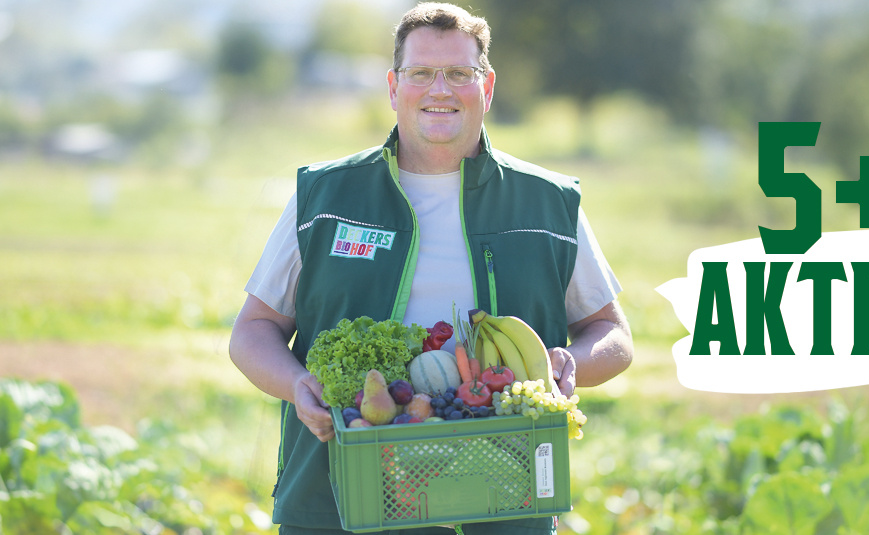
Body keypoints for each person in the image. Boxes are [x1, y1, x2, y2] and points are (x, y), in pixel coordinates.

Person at [228, 3, 634, 534]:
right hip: (340, 495)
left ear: (486, 88)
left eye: (459, 74)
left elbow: (614, 336)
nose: (439, 89)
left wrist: (571, 363)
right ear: (394, 88)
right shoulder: (324, 197)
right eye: (421, 73)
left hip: (504, 500)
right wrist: (297, 383)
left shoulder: (548, 204)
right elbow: (252, 333)